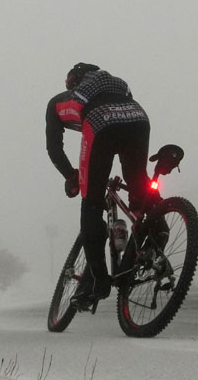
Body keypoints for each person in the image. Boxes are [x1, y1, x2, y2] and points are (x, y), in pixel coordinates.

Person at [45, 63, 154, 308]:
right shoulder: (119, 83)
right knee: (139, 184)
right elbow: (123, 124)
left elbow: (54, 148)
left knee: (91, 202)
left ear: (73, 81)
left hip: (100, 123)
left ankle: (97, 280)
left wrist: (71, 176)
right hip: (138, 119)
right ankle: (157, 228)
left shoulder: (58, 102)